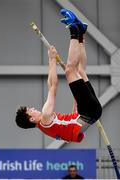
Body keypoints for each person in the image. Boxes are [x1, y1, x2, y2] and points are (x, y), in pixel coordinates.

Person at [15, 9, 102, 143]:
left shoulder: (48, 128)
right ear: (31, 119)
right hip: (88, 112)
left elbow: (72, 125)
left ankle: (80, 34)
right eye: (29, 110)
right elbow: (52, 87)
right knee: (69, 71)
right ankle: (74, 29)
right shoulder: (45, 117)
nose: (32, 108)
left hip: (89, 113)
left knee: (80, 72)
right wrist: (51, 60)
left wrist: (76, 102)